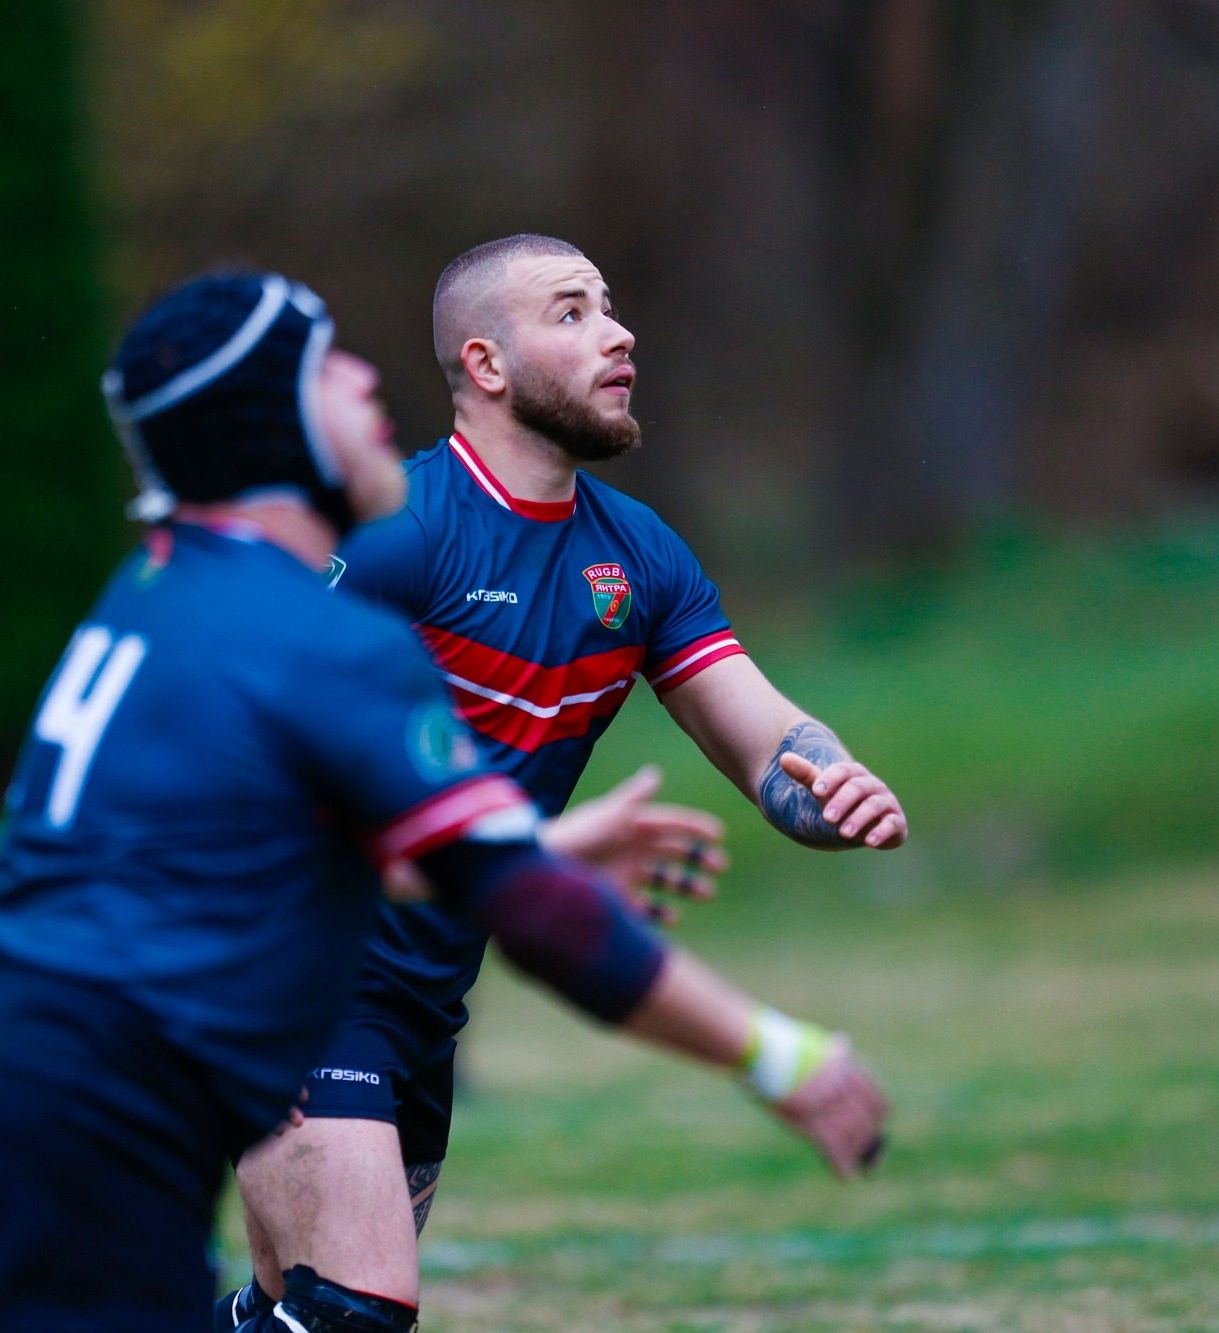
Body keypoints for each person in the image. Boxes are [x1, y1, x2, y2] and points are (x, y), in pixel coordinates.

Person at [0, 271, 888, 1333]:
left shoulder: (165, 584)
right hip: (97, 1074)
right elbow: (531, 911)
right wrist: (773, 1053)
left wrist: (520, 848)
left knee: (305, 1307)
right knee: (353, 1306)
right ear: (268, 425)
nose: (366, 377)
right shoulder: (319, 630)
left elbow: (271, 834)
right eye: (324, 368)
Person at [228, 235, 909, 1326]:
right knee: (357, 1307)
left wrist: (832, 785)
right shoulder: (399, 535)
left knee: (286, 1313)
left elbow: (764, 737)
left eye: (611, 306)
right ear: (487, 364)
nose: (618, 333)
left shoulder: (637, 556)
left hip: (424, 994)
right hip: (297, 965)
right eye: (572, 312)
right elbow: (245, 736)